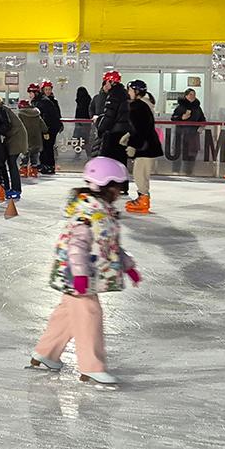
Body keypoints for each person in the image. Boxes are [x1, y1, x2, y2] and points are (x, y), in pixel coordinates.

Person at [28, 157, 140, 387]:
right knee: (90, 315)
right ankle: (91, 367)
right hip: (78, 274)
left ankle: (46, 354)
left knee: (67, 314)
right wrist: (79, 275)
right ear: (104, 186)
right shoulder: (87, 212)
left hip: (84, 273)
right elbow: (76, 246)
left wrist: (128, 266)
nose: (119, 192)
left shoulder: (102, 210)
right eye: (116, 187)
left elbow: (109, 245)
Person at [123, 80, 163, 214]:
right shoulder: (141, 105)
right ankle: (142, 198)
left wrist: (133, 145)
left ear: (136, 92)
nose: (128, 93)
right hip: (146, 145)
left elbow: (140, 128)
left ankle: (143, 199)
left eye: (130, 90)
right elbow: (139, 127)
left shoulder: (138, 106)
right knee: (140, 173)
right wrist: (128, 136)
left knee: (140, 174)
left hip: (145, 146)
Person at [0, 97, 26, 200]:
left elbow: (7, 126)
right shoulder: (3, 109)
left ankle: (16, 189)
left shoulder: (1, 111)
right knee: (9, 162)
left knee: (12, 163)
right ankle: (9, 187)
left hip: (15, 139)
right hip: (14, 138)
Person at [94, 71, 129, 164]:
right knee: (120, 160)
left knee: (108, 160)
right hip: (123, 133)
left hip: (114, 134)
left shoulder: (114, 95)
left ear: (111, 82)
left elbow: (109, 115)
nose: (105, 85)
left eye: (106, 82)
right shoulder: (124, 94)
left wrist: (100, 128)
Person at [170, 88, 204, 175]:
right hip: (180, 133)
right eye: (190, 94)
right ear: (186, 96)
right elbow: (173, 118)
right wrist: (181, 118)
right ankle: (175, 170)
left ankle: (188, 171)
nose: (192, 96)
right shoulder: (181, 107)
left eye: (194, 94)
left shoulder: (197, 108)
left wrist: (200, 127)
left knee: (191, 152)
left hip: (192, 134)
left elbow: (202, 119)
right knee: (178, 151)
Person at [34, 81, 63, 174]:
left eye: (49, 89)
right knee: (44, 147)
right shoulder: (43, 100)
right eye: (46, 89)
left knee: (48, 147)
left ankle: (49, 165)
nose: (48, 91)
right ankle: (45, 164)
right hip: (46, 127)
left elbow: (56, 115)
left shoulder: (50, 101)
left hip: (50, 127)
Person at [16, 98, 43, 177]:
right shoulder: (37, 115)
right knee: (34, 154)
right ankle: (33, 170)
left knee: (24, 154)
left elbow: (17, 126)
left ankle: (23, 170)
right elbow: (44, 127)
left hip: (25, 139)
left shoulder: (20, 115)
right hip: (36, 139)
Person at [74, 86, 93, 158]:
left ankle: (78, 154)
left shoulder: (80, 101)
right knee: (85, 139)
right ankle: (88, 155)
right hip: (86, 123)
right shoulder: (88, 100)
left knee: (79, 139)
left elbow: (79, 112)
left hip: (81, 123)